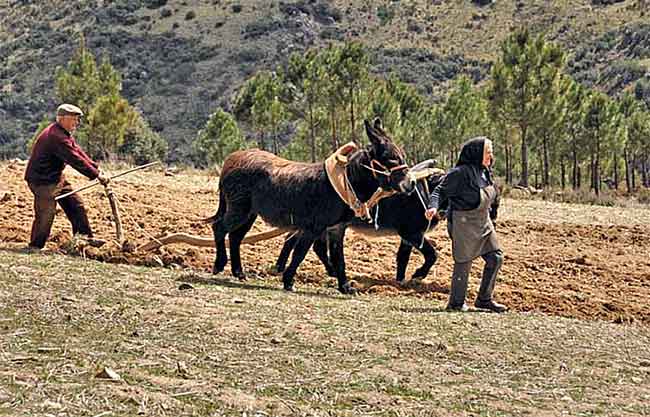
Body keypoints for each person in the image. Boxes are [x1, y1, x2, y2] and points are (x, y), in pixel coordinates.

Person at [424, 137, 506, 313]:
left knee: (495, 257)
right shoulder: (460, 173)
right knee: (464, 261)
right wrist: (433, 207)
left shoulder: (485, 171)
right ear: (476, 153)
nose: (491, 156)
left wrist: (493, 219)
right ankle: (456, 303)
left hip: (483, 222)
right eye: (488, 152)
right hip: (463, 222)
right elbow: (439, 191)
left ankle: (484, 299)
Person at [24, 103, 110, 250]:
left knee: (76, 205)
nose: (77, 123)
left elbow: (77, 152)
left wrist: (96, 169)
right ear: (62, 118)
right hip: (42, 181)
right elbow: (74, 159)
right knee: (46, 213)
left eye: (78, 120)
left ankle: (84, 240)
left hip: (55, 178)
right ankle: (35, 246)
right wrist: (96, 175)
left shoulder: (62, 133)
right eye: (74, 119)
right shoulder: (56, 137)